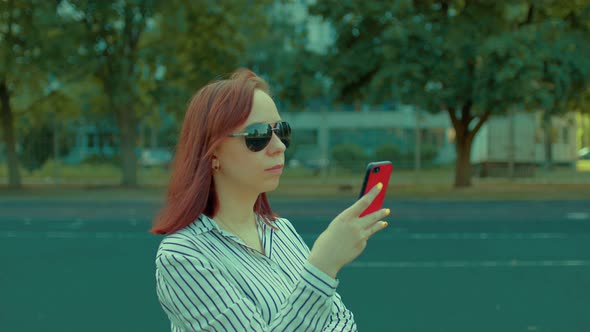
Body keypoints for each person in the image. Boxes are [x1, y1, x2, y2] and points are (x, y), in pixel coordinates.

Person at [150, 68, 390, 331]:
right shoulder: (184, 256)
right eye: (258, 135)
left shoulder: (281, 231)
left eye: (281, 131)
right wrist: (323, 266)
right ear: (213, 152)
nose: (279, 146)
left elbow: (342, 322)